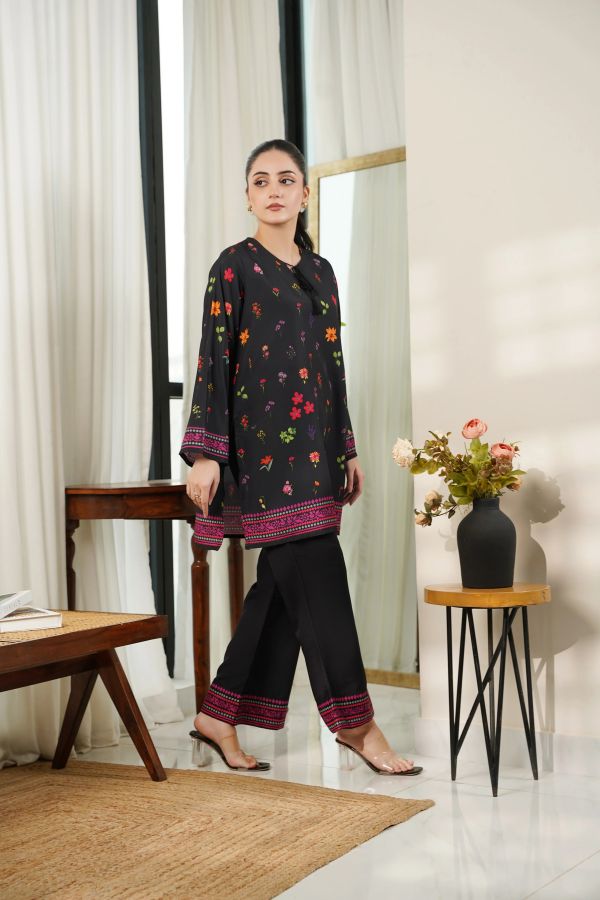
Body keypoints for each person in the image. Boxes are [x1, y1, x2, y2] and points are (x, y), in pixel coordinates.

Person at [180, 138, 422, 776]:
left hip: (315, 452)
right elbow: (215, 361)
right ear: (249, 196)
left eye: (286, 179)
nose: (275, 190)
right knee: (319, 573)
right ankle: (357, 723)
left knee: (281, 591)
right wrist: (205, 456)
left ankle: (217, 716)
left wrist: (348, 447)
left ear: (305, 195)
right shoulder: (232, 267)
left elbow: (332, 368)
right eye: (261, 182)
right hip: (260, 455)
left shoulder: (321, 274)